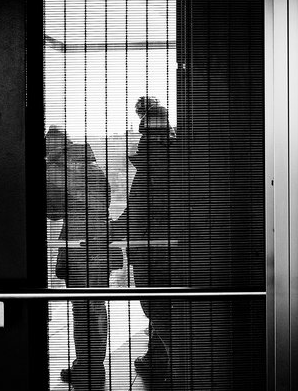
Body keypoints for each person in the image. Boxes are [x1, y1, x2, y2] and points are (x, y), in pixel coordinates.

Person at [110, 95, 176, 385]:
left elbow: (142, 212)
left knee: (156, 309)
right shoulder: (162, 164)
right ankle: (159, 359)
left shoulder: (157, 168)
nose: (140, 136)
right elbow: (137, 208)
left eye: (144, 130)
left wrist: (111, 231)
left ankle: (179, 367)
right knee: (159, 310)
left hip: (155, 253)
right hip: (156, 250)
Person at [46, 126, 115, 390]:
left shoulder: (64, 172)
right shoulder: (92, 169)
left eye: (49, 150)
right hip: (97, 244)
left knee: (84, 309)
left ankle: (89, 368)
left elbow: (53, 212)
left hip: (81, 246)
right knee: (95, 307)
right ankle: (89, 365)